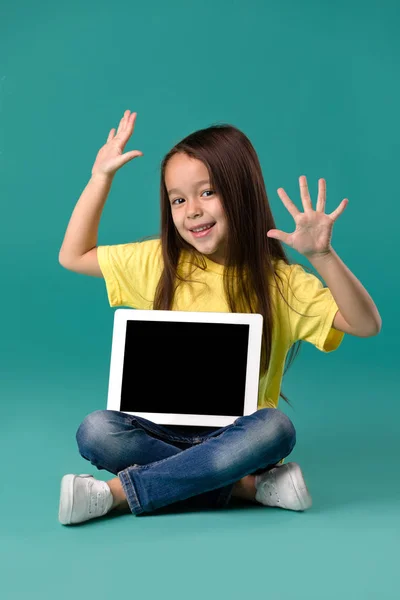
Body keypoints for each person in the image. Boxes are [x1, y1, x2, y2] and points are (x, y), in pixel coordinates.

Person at [58, 110, 382, 525]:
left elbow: (365, 324)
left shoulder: (280, 282)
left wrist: (322, 256)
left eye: (207, 192)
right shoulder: (158, 261)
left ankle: (118, 494)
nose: (191, 210)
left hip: (240, 437)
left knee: (276, 429)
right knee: (96, 430)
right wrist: (100, 177)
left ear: (242, 193)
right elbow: (73, 256)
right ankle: (246, 488)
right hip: (163, 430)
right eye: (178, 199)